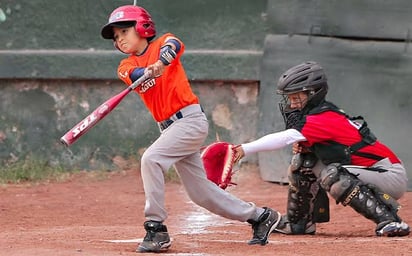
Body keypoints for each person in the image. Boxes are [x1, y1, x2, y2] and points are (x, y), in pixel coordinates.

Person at [100, 5, 281, 253]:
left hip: (190, 122)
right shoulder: (125, 65)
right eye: (116, 37)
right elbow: (133, 74)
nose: (119, 39)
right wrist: (148, 70)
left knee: (151, 159)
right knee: (201, 194)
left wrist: (162, 60)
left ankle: (155, 228)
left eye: (123, 31)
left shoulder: (164, 42)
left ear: (142, 27)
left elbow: (172, 46)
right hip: (169, 130)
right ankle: (261, 217)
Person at [234, 61, 410, 237]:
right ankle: (299, 223)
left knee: (334, 175)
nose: (293, 104)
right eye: (290, 98)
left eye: (297, 98)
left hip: (389, 174)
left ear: (312, 94)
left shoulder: (322, 118)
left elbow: (284, 138)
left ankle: (391, 220)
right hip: (371, 172)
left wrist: (244, 149)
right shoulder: (315, 116)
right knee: (303, 162)